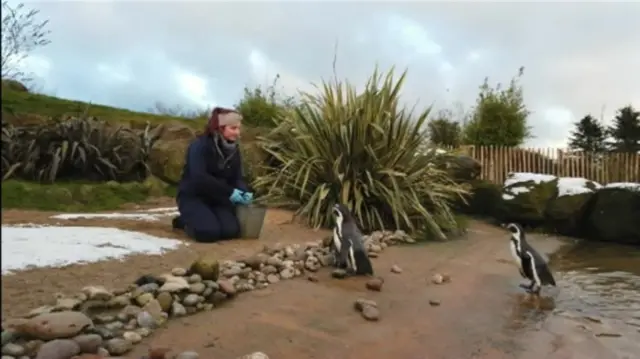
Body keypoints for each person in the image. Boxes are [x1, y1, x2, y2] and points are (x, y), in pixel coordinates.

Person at [171, 107, 254, 242]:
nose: (237, 133)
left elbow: (236, 177)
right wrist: (230, 192)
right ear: (220, 128)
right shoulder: (199, 146)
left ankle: (203, 217)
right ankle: (184, 221)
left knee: (231, 231)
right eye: (233, 128)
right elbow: (199, 178)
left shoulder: (233, 150)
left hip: (218, 198)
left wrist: (244, 192)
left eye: (238, 128)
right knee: (208, 233)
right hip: (193, 196)